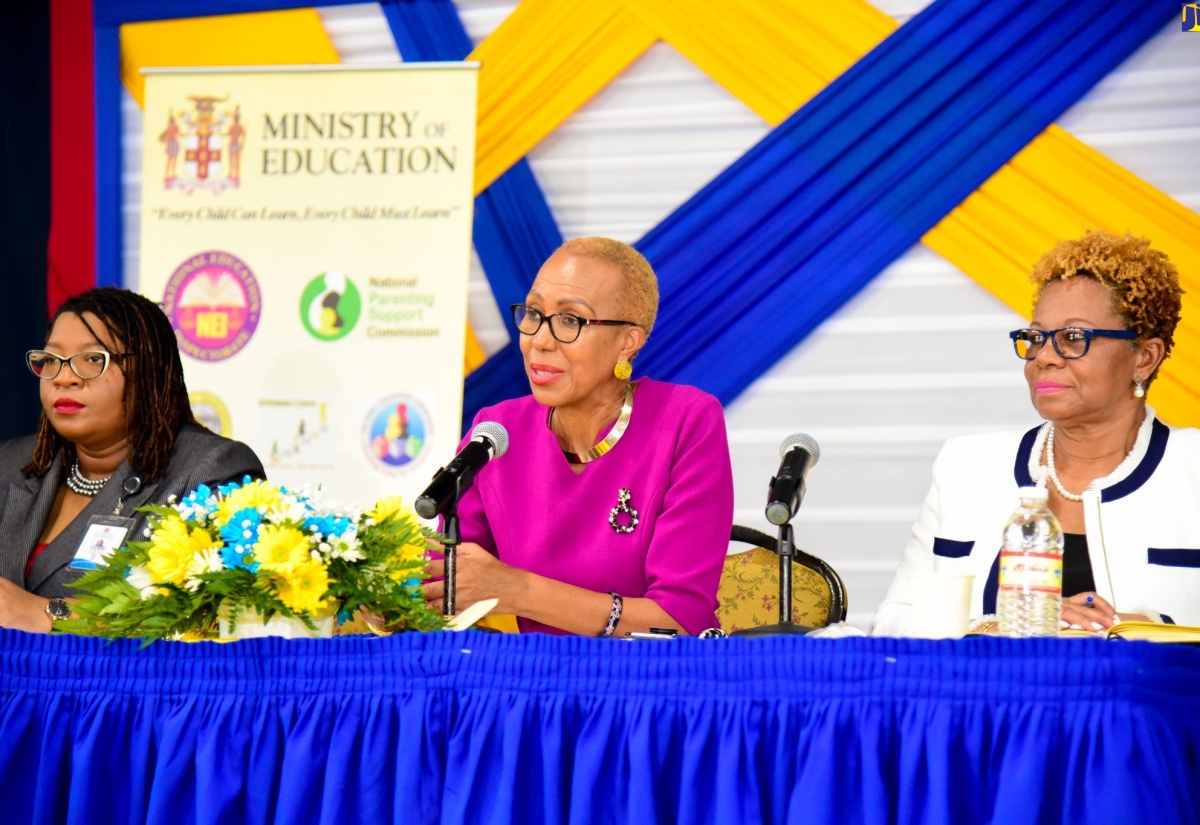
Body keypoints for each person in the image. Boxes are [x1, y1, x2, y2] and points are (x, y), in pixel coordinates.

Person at [872, 229, 1199, 635]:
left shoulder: (1192, 470)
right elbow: (892, 621)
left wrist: (1143, 629)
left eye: (1073, 338)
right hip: (989, 697)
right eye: (1036, 337)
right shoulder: (966, 466)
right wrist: (995, 627)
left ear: (1145, 358)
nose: (1044, 357)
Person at [422, 238, 734, 636]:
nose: (540, 340)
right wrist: (385, 596)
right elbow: (441, 585)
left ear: (627, 343)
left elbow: (678, 620)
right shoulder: (497, 432)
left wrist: (518, 590)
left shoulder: (686, 421)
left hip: (657, 684)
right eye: (533, 313)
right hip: (539, 686)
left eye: (571, 320)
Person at [0, 287, 265, 632]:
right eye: (51, 360)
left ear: (148, 371)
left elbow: (213, 612)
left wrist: (50, 613)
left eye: (93, 359)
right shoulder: (11, 464)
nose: (64, 377)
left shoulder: (210, 471)